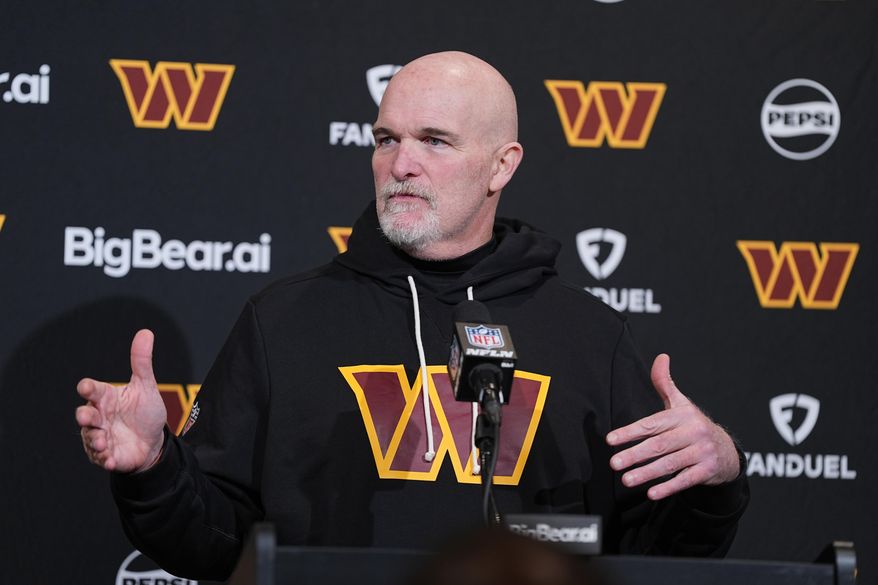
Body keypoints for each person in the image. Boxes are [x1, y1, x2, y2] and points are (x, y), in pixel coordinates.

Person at [76, 51, 748, 581]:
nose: (401, 164)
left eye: (434, 140)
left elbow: (658, 555)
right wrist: (155, 465)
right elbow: (215, 545)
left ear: (501, 164)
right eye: (386, 138)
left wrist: (717, 475)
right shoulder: (281, 322)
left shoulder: (591, 337)